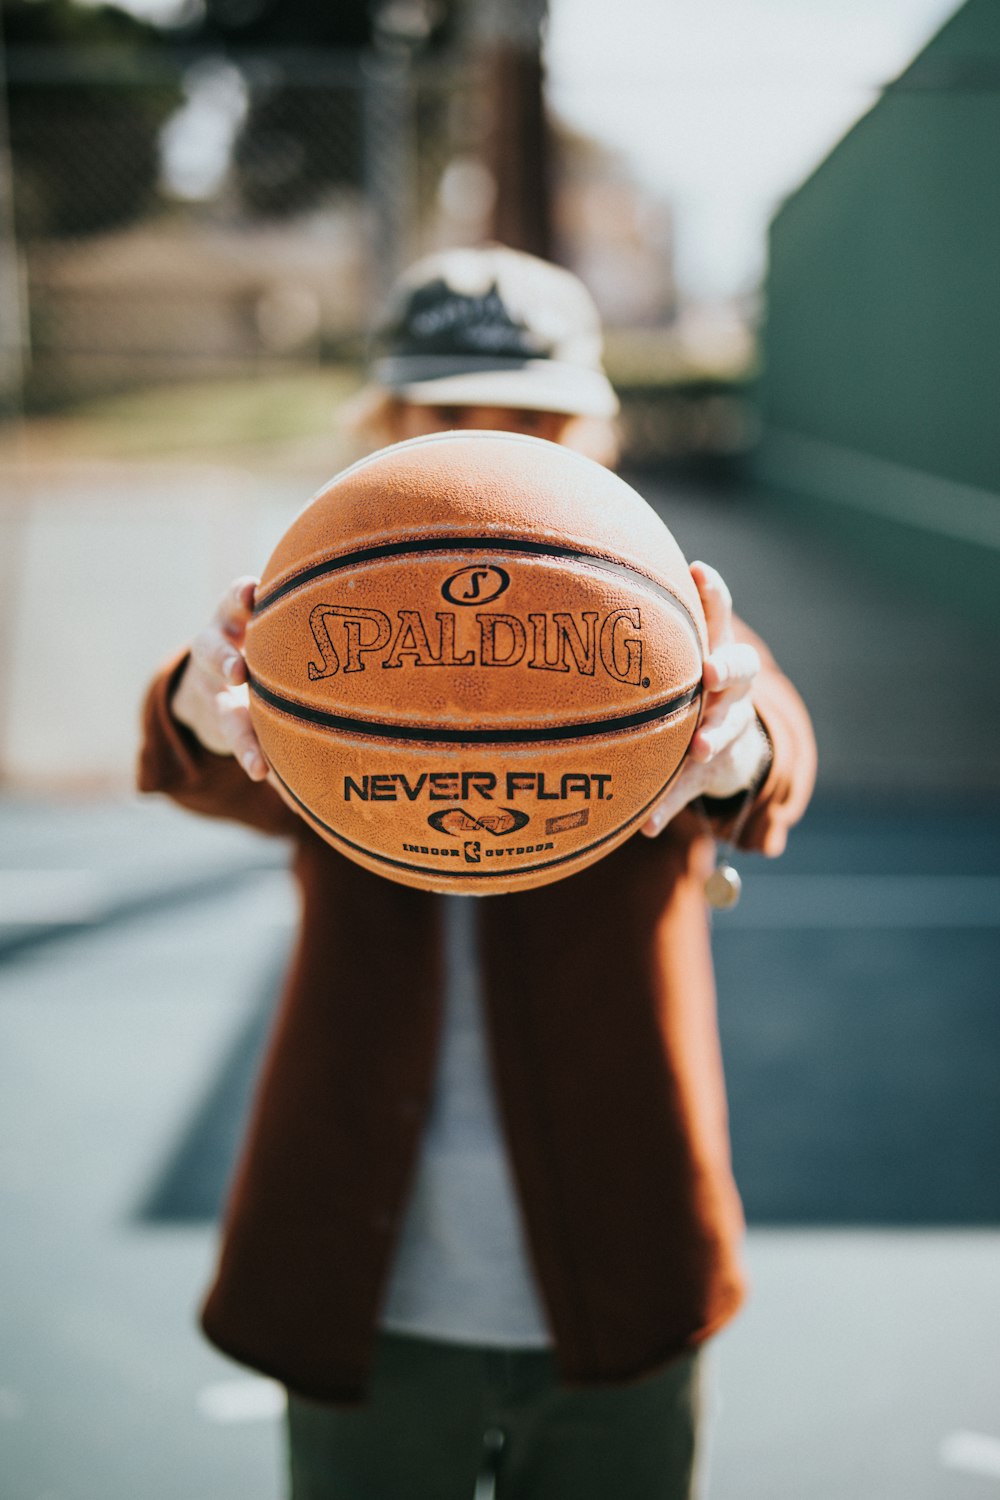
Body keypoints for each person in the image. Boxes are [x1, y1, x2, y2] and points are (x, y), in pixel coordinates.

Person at [138, 245, 816, 1500]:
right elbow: (207, 750)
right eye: (451, 415)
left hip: (621, 1255)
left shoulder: (657, 620)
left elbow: (765, 733)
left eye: (534, 418)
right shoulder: (320, 629)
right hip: (360, 1265)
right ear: (384, 429)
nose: (493, 445)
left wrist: (733, 747)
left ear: (593, 433)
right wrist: (199, 696)